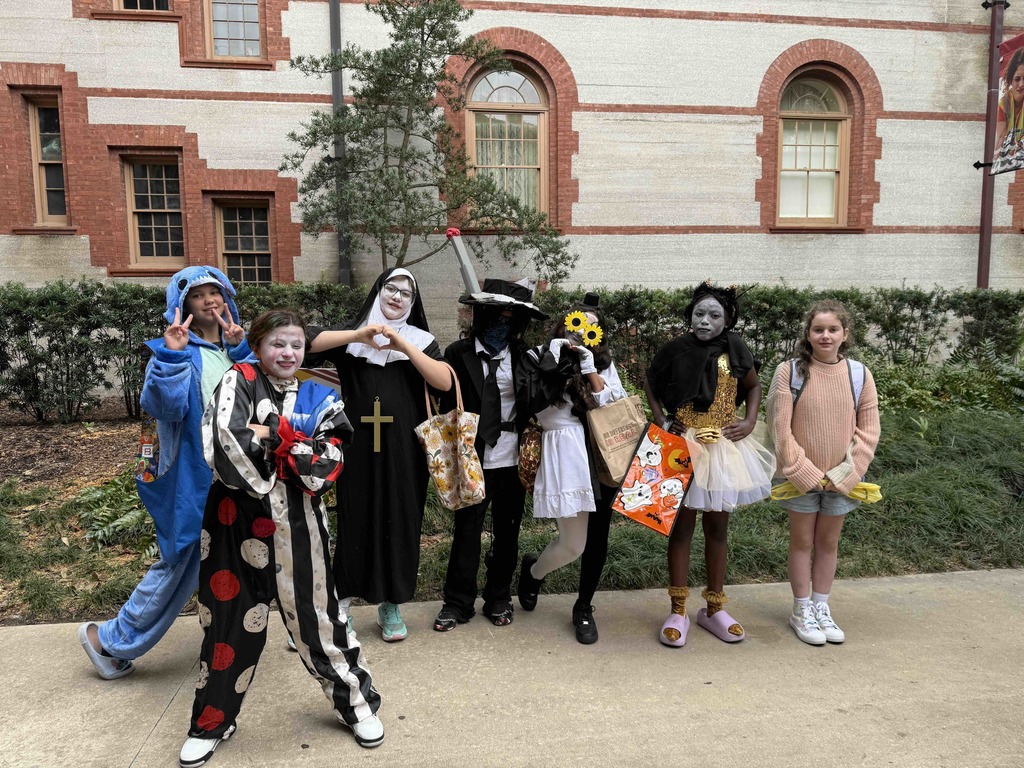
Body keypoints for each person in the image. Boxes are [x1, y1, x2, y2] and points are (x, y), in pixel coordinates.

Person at [180, 309, 384, 768]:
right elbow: (223, 447)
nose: (288, 352)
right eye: (278, 343)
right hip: (234, 526)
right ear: (257, 347)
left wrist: (268, 436)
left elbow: (327, 463)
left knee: (320, 619)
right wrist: (293, 443)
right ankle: (212, 722)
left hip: (301, 525)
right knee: (227, 623)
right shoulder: (238, 379)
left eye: (296, 344)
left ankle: (356, 704)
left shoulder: (320, 393)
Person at [79, 266, 253, 680]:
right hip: (195, 477)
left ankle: (247, 633)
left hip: (240, 474)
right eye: (198, 295)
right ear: (181, 306)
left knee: (245, 553)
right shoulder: (175, 350)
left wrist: (243, 352)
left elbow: (255, 402)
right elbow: (165, 408)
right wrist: (172, 355)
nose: (210, 301)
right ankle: (112, 641)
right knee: (182, 560)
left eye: (216, 292)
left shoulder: (234, 346)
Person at [307, 268, 452, 642]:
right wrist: (360, 335)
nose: (397, 296)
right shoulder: (352, 336)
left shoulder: (421, 340)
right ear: (378, 291)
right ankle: (343, 601)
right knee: (356, 516)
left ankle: (392, 602)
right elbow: (308, 342)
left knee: (401, 518)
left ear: (413, 302)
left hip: (404, 450)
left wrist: (404, 346)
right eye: (391, 288)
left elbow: (445, 383)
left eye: (406, 293)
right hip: (355, 445)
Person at [644, 281, 775, 648]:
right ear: (690, 317)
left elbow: (752, 385)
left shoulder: (735, 350)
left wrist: (749, 421)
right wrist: (662, 419)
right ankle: (678, 610)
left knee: (718, 529)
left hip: (722, 449)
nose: (705, 320)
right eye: (698, 314)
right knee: (681, 529)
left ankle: (715, 608)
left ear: (728, 319)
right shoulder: (677, 349)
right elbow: (651, 380)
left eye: (714, 315)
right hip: (682, 446)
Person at [433, 279, 548, 632]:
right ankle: (457, 603)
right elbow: (443, 402)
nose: (503, 322)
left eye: (510, 317)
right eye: (495, 315)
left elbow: (540, 401)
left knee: (508, 530)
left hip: (512, 457)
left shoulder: (525, 357)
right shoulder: (456, 354)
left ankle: (499, 596)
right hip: (471, 456)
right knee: (467, 530)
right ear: (479, 316)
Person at [515, 293, 629, 643]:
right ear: (565, 324)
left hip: (602, 455)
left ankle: (583, 607)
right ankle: (533, 573)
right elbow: (534, 407)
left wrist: (591, 369)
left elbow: (616, 405)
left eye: (593, 329)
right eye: (578, 324)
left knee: (597, 540)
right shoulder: (539, 356)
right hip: (566, 454)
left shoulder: (602, 363)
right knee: (573, 544)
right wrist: (554, 361)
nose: (583, 333)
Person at [766, 300, 880, 646]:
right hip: (801, 478)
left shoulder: (859, 375)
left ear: (845, 335)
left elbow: (868, 430)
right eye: (818, 329)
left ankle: (821, 606)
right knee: (801, 542)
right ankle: (801, 609)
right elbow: (779, 427)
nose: (825, 335)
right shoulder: (790, 372)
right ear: (808, 334)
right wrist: (803, 471)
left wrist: (847, 474)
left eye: (833, 329)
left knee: (828, 543)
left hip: (840, 480)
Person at [994, 47, 1024, 160]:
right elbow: (1000, 138)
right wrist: (994, 160)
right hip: (1010, 158)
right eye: (1017, 79)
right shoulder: (1004, 104)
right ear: (1010, 80)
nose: (1021, 84)